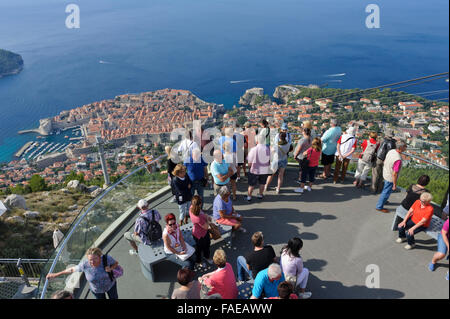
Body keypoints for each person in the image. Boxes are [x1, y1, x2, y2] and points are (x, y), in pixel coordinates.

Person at [46, 247, 120, 299]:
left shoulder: (107, 259)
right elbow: (72, 269)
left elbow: (116, 263)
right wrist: (56, 274)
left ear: (100, 256)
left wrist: (111, 268)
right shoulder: (85, 265)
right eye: (90, 260)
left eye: (95, 259)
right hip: (97, 290)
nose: (92, 262)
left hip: (110, 285)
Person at [376, 141, 407, 213]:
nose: (406, 148)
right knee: (386, 192)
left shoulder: (391, 151)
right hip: (390, 177)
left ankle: (384, 201)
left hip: (386, 172)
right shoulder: (398, 159)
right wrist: (394, 183)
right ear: (401, 148)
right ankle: (379, 206)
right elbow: (395, 173)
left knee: (385, 190)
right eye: (405, 146)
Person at [189, 195, 213, 268]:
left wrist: (205, 215)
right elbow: (206, 227)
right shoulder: (198, 217)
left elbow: (201, 213)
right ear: (200, 204)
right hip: (201, 235)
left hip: (197, 233)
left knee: (204, 246)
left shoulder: (191, 208)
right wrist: (208, 220)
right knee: (200, 249)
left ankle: (206, 257)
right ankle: (199, 261)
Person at [246, 134, 271, 201]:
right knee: (262, 183)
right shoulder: (267, 149)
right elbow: (269, 159)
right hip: (264, 169)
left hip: (254, 170)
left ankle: (249, 196)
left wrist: (249, 167)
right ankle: (260, 194)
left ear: (257, 141)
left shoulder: (253, 149)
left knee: (251, 184)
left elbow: (249, 161)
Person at [371, 129, 396, 194]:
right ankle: (379, 189)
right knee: (382, 175)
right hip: (386, 160)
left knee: (375, 174)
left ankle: (373, 188)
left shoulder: (382, 140)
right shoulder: (393, 143)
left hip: (379, 158)